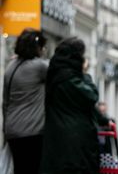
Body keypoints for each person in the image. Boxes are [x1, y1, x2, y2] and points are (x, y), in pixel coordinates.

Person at [41, 37, 109, 174]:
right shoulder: (70, 78)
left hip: (56, 138)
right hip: (76, 142)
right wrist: (85, 75)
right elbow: (91, 96)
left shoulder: (54, 74)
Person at [2, 28, 48, 174]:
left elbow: (5, 102)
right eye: (42, 47)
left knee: (20, 169)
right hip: (32, 131)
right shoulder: (39, 67)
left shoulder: (10, 67)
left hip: (13, 130)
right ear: (37, 47)